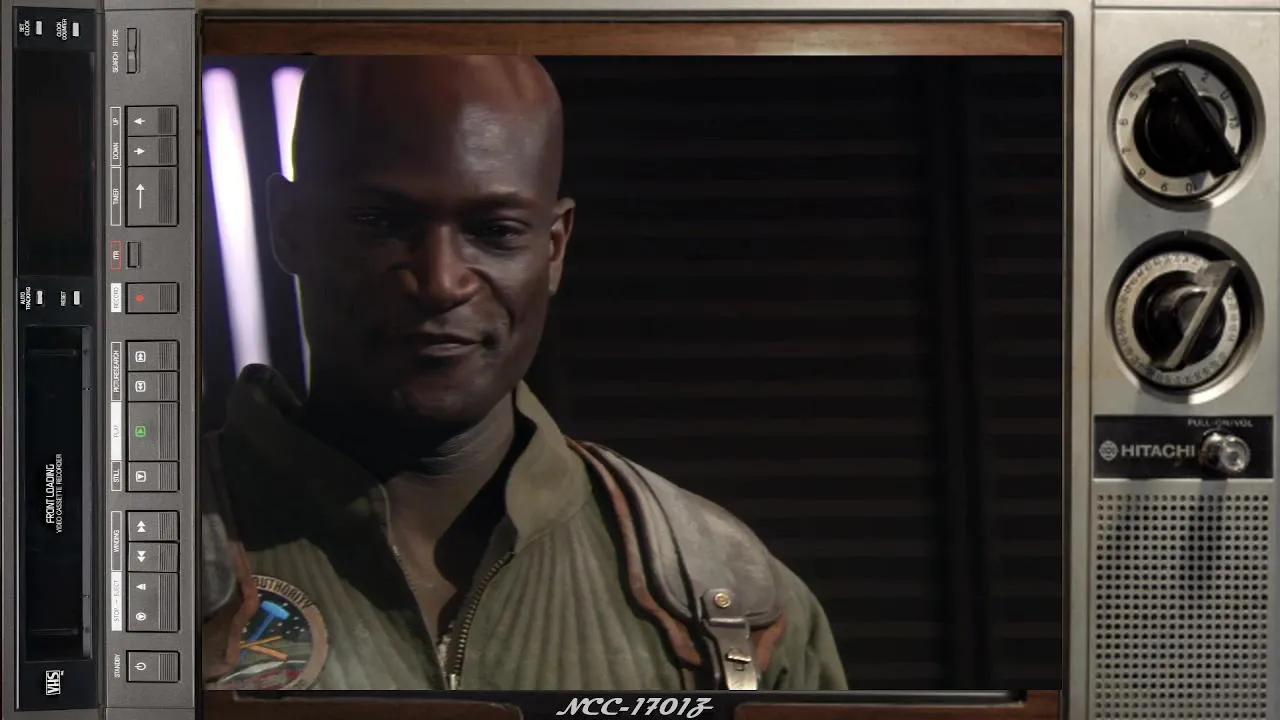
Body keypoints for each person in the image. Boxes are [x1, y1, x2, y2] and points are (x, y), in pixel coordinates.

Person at [200, 55, 846, 692]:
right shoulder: (146, 556)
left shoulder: (726, 600)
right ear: (289, 226)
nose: (441, 282)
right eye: (382, 223)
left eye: (495, 230)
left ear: (554, 247)